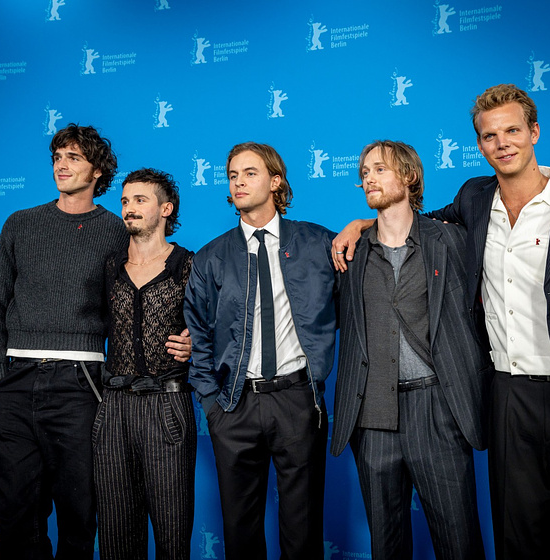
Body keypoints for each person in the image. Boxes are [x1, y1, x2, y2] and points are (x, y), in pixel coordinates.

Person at [332, 84, 550, 560]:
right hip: (506, 398)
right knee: (518, 540)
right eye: (489, 136)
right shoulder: (474, 200)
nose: (502, 143)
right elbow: (409, 223)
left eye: (512, 131)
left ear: (534, 132)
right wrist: (360, 224)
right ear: (480, 144)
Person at [0, 124, 189, 559]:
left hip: (82, 383)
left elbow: (145, 292)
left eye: (73, 157)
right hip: (16, 381)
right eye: (57, 156)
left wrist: (186, 341)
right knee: (16, 512)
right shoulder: (20, 224)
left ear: (97, 171)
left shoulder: (117, 230)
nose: (61, 164)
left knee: (80, 513)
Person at [331, 140, 489, 560]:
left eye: (380, 170)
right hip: (373, 416)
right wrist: (359, 227)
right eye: (364, 172)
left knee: (459, 541)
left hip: (439, 408)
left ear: (408, 177)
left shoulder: (452, 241)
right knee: (387, 545)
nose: (369, 178)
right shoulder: (347, 253)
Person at [184, 142, 337, 559]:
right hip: (235, 404)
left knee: (302, 527)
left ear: (275, 181)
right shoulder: (211, 257)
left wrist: (358, 225)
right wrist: (212, 403)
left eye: (249, 173)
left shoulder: (318, 243)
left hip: (297, 401)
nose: (238, 182)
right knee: (239, 528)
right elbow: (197, 333)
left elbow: (353, 307)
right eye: (232, 175)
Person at [93, 168, 195, 559]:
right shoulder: (108, 268)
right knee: (116, 536)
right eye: (124, 200)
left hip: (167, 406)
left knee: (172, 535)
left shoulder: (189, 264)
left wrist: (195, 346)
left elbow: (218, 326)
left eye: (140, 200)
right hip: (113, 407)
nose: (129, 208)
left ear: (166, 208)